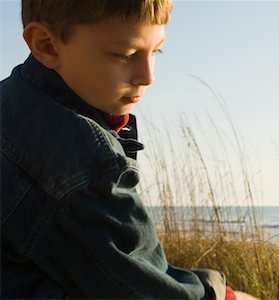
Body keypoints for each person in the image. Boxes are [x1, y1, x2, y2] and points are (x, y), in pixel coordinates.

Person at [0, 1, 258, 299]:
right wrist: (224, 295)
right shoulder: (85, 162)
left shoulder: (11, 100)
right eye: (125, 55)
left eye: (156, 51)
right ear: (47, 45)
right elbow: (144, 289)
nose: (147, 77)